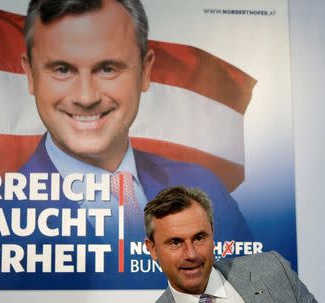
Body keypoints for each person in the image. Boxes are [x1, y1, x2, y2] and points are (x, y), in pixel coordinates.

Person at [18, 0, 252, 243]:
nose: (85, 98)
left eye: (107, 68)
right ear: (30, 75)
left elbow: (249, 279)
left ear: (145, 71)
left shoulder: (205, 187)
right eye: (62, 69)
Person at [144, 186, 317, 302]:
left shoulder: (274, 270)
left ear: (212, 233)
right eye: (175, 242)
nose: (191, 254)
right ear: (153, 249)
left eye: (199, 238)